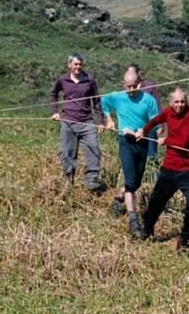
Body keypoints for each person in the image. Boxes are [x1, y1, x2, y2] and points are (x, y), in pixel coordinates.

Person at [134, 88, 189, 250]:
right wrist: (144, 129)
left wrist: (166, 140)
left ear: (186, 102)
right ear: (171, 103)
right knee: (156, 200)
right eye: (176, 102)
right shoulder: (168, 112)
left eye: (182, 101)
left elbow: (183, 142)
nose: (179, 105)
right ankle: (147, 230)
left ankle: (184, 240)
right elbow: (156, 119)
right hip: (170, 167)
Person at [100, 69, 159, 236]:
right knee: (130, 179)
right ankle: (133, 219)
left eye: (134, 86)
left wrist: (146, 130)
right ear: (123, 85)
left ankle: (120, 198)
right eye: (128, 87)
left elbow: (156, 121)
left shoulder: (148, 100)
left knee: (136, 182)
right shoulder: (117, 96)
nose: (131, 90)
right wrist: (109, 119)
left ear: (140, 83)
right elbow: (102, 102)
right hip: (125, 141)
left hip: (142, 141)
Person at [49, 53, 104, 191]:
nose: (78, 67)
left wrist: (100, 121)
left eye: (80, 64)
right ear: (69, 65)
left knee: (94, 149)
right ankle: (68, 181)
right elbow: (53, 94)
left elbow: (96, 101)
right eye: (75, 64)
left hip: (87, 122)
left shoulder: (89, 80)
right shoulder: (62, 80)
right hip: (68, 121)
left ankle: (91, 180)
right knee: (67, 152)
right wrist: (55, 111)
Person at [127, 63, 161, 162]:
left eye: (133, 72)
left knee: (151, 155)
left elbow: (157, 105)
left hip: (150, 126)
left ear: (139, 73)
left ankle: (152, 176)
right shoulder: (127, 87)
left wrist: (161, 126)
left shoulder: (150, 86)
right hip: (132, 126)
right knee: (133, 155)